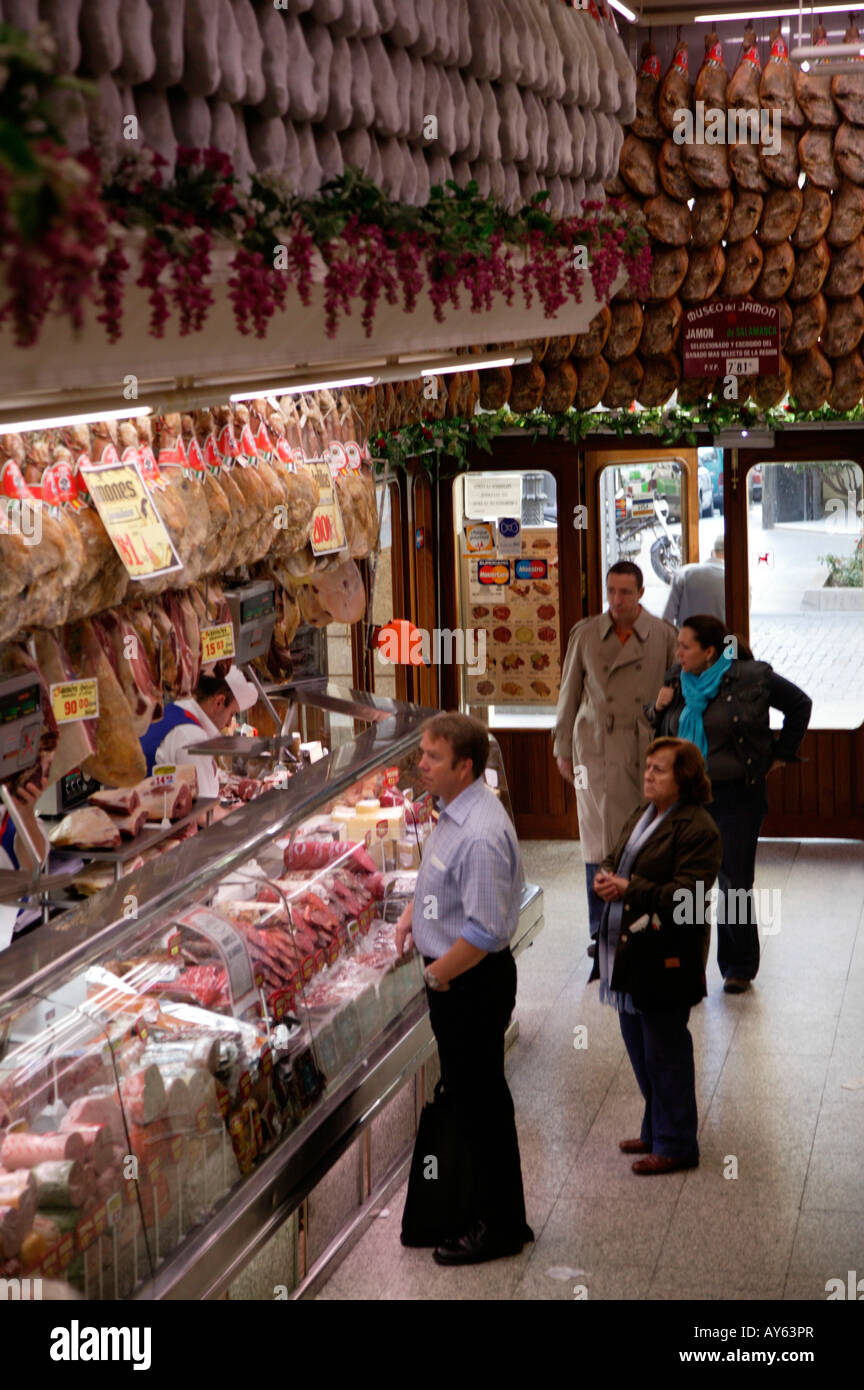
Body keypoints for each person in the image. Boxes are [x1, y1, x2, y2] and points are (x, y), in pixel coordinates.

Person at [395, 712, 532, 1265]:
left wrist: (435, 975)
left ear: (465, 766)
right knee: (480, 1103)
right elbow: (443, 880)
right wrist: (413, 911)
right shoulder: (459, 810)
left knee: (481, 1108)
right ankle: (493, 1213)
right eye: (422, 753)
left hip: (468, 985)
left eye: (431, 757)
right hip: (460, 980)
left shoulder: (478, 834)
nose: (420, 765)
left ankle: (498, 1229)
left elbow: (482, 931)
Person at [647, 614, 812, 993]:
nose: (678, 652)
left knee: (734, 881)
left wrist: (780, 755)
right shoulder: (677, 678)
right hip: (686, 798)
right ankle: (688, 963)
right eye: (678, 645)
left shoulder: (751, 676)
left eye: (685, 646)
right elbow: (661, 729)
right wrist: (657, 708)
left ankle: (738, 964)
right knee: (688, 885)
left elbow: (800, 704)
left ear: (709, 651)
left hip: (736, 795)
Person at [591, 738, 722, 1174]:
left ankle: (678, 1143)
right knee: (642, 1050)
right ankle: (655, 1128)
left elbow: (689, 897)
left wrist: (630, 889)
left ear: (683, 778)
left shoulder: (698, 827)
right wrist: (607, 875)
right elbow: (618, 855)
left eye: (659, 770)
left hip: (666, 956)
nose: (647, 775)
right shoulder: (643, 813)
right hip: (628, 956)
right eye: (646, 767)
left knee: (665, 1051)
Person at [553, 562, 678, 954]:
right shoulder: (586, 634)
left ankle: (634, 921)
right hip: (591, 751)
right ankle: (599, 929)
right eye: (612, 591)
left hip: (642, 751)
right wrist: (561, 748)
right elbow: (568, 693)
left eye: (625, 592)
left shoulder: (663, 636)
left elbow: (677, 697)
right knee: (595, 839)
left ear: (641, 593)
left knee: (639, 836)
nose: (617, 600)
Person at [140, 666, 258, 800]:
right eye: (232, 714)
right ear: (219, 702)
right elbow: (204, 810)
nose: (229, 724)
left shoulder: (174, 710)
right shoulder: (192, 737)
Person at [662, 535, 726, 626]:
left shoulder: (685, 572)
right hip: (722, 639)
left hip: (685, 639)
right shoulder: (737, 583)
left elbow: (667, 618)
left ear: (712, 553)